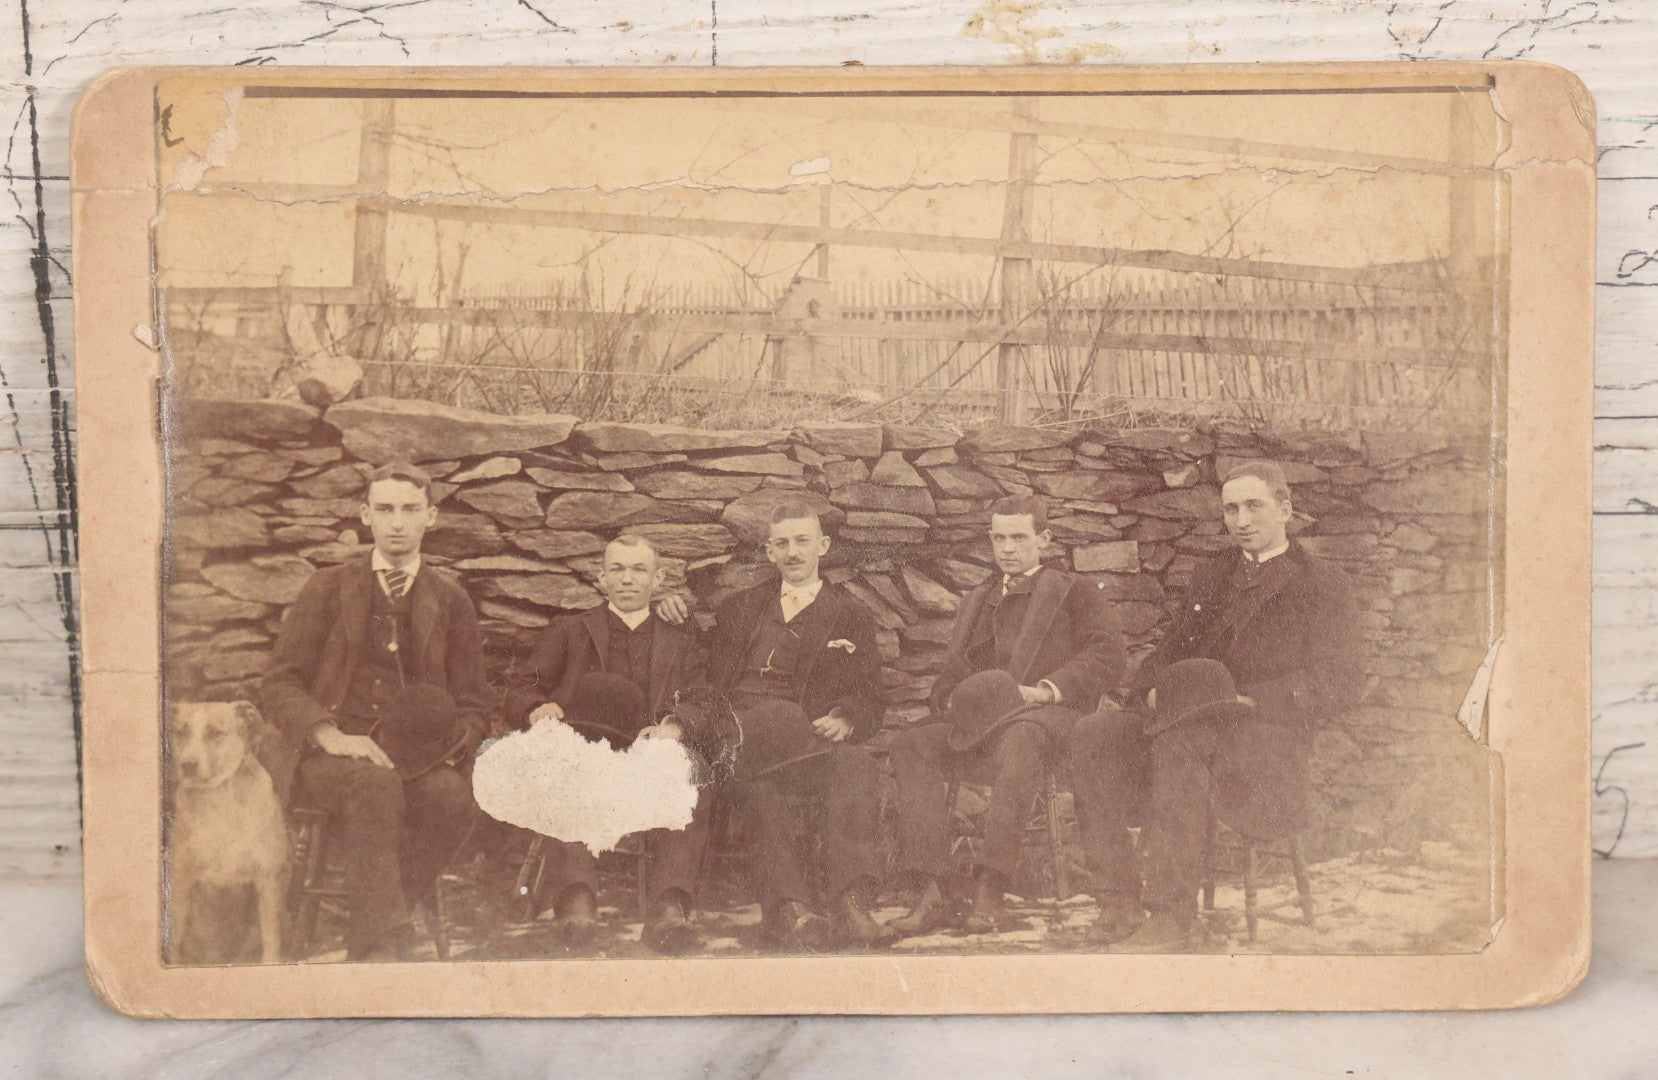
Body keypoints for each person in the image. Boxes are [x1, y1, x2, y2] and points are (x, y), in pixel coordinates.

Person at [1068, 460, 1365, 949]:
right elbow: (1172, 649)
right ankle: (1117, 902)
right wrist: (1146, 692)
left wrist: (1252, 698)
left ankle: (1172, 916)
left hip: (1266, 742)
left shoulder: (1321, 582)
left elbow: (1342, 679)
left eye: (1254, 506)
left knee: (1184, 739)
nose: (1241, 520)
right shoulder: (1214, 574)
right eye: (1231, 509)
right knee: (1095, 734)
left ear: (1285, 509)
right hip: (1187, 726)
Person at [261, 462, 487, 961]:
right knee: (373, 784)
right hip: (331, 754)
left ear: (432, 517)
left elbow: (474, 703)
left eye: (410, 510)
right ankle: (382, 944)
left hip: (418, 756)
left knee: (453, 800)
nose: (397, 523)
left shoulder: (451, 601)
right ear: (366, 516)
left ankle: (384, 917)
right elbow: (279, 684)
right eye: (384, 510)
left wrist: (451, 747)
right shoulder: (327, 588)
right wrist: (327, 733)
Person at [887, 494, 1126, 937]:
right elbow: (952, 672)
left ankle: (990, 886)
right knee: (911, 743)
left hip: (1049, 720)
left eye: (1019, 537)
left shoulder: (1072, 592)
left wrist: (1047, 689)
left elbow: (1108, 656)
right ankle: (933, 888)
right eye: (999, 537)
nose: (1007, 548)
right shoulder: (978, 598)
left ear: (1044, 538)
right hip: (983, 725)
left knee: (1021, 738)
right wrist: (949, 700)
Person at [664, 502, 891, 950]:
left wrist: (846, 718)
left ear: (822, 547)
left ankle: (849, 902)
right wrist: (676, 612)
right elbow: (706, 677)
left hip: (805, 742)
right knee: (742, 777)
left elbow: (870, 693)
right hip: (736, 737)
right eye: (782, 543)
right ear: (769, 552)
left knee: (857, 766)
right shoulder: (741, 608)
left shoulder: (851, 614)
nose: (793, 552)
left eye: (803, 541)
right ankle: (785, 910)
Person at [516, 534, 716, 953]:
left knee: (691, 770)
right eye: (618, 569)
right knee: (558, 765)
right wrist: (538, 706)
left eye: (639, 569)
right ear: (601, 577)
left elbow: (705, 700)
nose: (627, 579)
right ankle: (576, 901)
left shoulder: (678, 640)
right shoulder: (569, 630)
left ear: (657, 578)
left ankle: (668, 908)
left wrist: (674, 727)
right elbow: (524, 686)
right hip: (583, 747)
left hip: (648, 753)